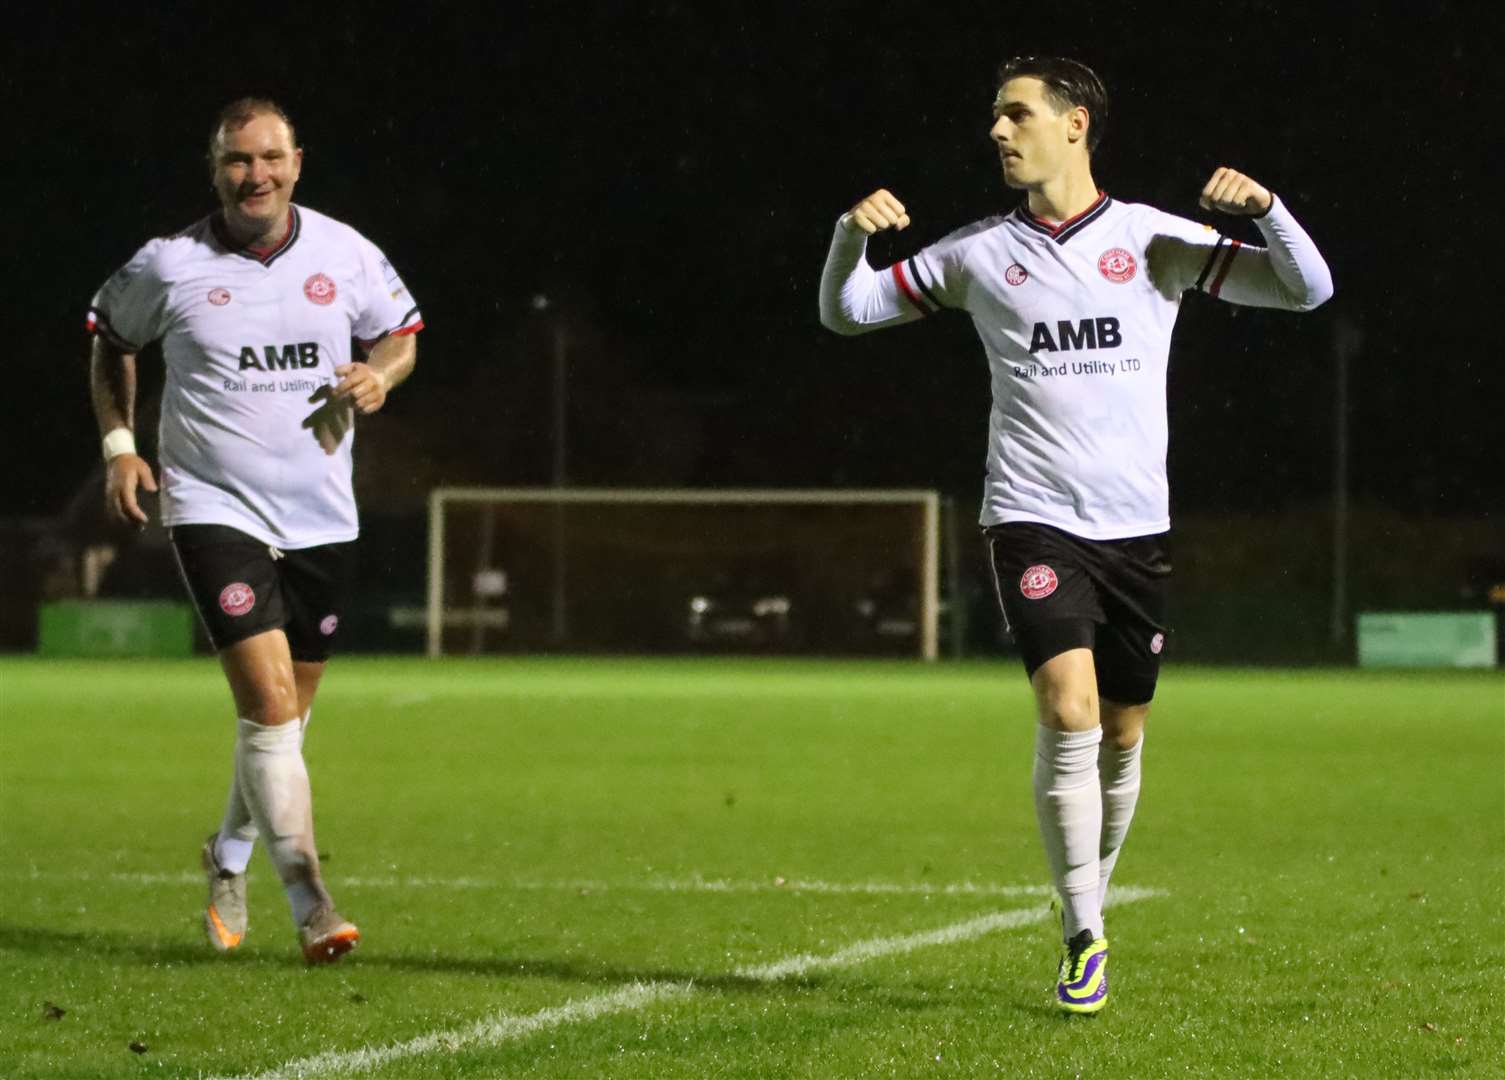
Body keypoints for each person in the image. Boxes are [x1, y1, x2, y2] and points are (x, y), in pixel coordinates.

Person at [819, 56, 1331, 1012]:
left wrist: (1265, 208)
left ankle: (1088, 895)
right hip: (1029, 517)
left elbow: (1306, 290)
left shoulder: (1150, 241)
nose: (998, 132)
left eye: (1016, 114)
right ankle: (1082, 929)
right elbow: (847, 311)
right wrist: (848, 239)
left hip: (1136, 531)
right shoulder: (975, 254)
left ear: (1076, 125)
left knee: (1124, 732)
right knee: (1068, 711)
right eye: (994, 117)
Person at [87, 97, 422, 964]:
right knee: (268, 709)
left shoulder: (346, 253)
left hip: (319, 511)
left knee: (287, 721)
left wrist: (380, 377)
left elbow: (402, 336)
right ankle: (312, 902)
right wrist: (122, 446)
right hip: (210, 505)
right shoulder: (169, 265)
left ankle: (226, 854)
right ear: (216, 170)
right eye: (238, 161)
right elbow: (108, 338)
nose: (255, 175)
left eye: (270, 158)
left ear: (297, 162)